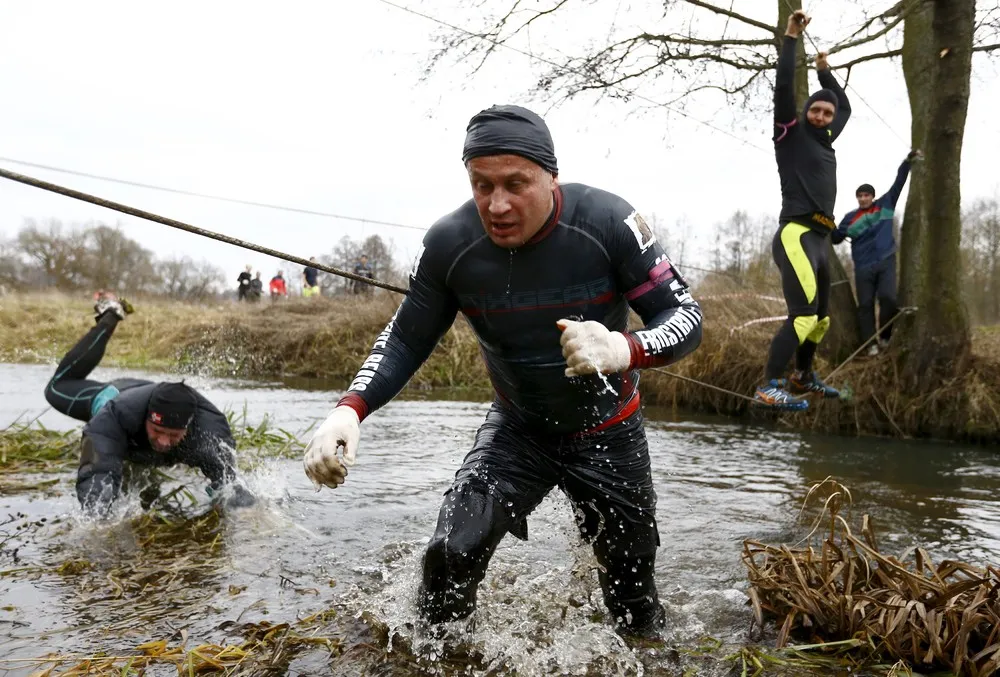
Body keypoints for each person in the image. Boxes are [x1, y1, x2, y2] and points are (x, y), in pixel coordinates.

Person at [303, 104, 703, 639]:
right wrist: (349, 411)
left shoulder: (609, 222)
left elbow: (686, 317)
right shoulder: (450, 244)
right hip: (519, 432)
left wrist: (623, 347)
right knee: (449, 555)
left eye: (517, 184)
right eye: (481, 185)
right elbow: (405, 337)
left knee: (634, 606)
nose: (498, 204)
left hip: (610, 432)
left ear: (551, 176)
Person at [43, 293, 255, 516]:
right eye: (157, 431)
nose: (164, 441)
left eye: (173, 435)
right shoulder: (115, 416)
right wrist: (98, 516)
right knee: (56, 388)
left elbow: (229, 482)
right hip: (117, 394)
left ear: (188, 427)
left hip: (162, 398)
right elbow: (96, 472)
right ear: (146, 418)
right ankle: (110, 316)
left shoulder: (208, 434)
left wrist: (241, 510)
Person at [753, 10, 851, 412]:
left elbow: (843, 104)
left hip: (821, 240)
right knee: (802, 317)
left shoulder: (827, 138)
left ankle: (803, 375)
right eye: (816, 110)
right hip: (795, 234)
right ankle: (769, 385)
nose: (823, 116)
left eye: (826, 114)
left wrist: (825, 70)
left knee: (821, 320)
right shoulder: (790, 133)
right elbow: (783, 89)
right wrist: (791, 38)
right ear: (805, 112)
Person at [832, 150, 922, 355]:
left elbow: (899, 182)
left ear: (872, 196)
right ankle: (870, 344)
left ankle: (885, 337)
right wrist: (827, 222)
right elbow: (836, 239)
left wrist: (907, 162)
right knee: (865, 305)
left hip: (886, 260)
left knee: (888, 299)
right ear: (857, 198)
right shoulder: (849, 218)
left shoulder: (885, 204)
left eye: (866, 195)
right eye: (860, 196)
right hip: (863, 267)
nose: (863, 199)